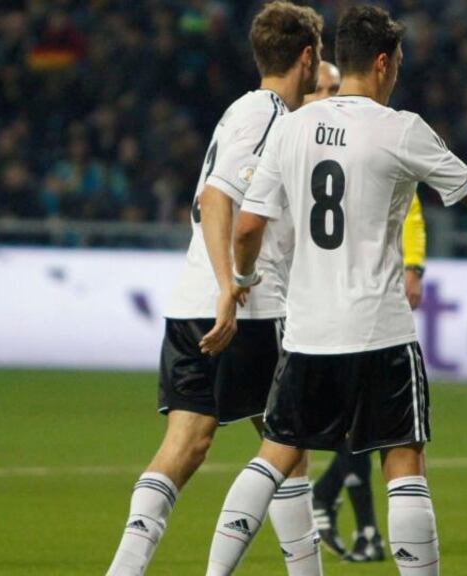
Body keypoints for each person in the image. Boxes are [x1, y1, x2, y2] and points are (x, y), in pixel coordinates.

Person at [204, 5, 467, 575]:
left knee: (273, 459)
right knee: (403, 461)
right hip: (380, 329)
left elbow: (247, 227)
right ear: (383, 62)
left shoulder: (292, 127)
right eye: (399, 61)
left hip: (309, 331)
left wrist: (240, 281)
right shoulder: (401, 129)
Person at [104, 3, 325, 575]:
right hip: (248, 308)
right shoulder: (270, 115)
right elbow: (217, 198)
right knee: (288, 451)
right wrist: (235, 285)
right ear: (306, 57)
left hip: (190, 299)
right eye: (318, 58)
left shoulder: (238, 111)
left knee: (184, 448)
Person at [302, 60, 430, 562]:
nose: (330, 96)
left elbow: (411, 206)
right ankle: (335, 512)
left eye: (335, 87)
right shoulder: (298, 138)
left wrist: (413, 263)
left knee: (350, 429)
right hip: (312, 309)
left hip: (353, 307)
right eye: (320, 88)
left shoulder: (372, 137)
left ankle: (362, 525)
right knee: (312, 440)